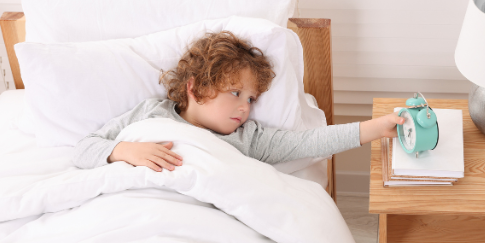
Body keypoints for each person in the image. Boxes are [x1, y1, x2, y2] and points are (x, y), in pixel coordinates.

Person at [72, 31, 404, 172]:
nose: (245, 107)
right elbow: (84, 149)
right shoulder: (149, 114)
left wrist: (376, 128)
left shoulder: (249, 138)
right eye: (235, 93)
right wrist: (124, 151)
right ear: (196, 88)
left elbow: (311, 141)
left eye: (251, 98)